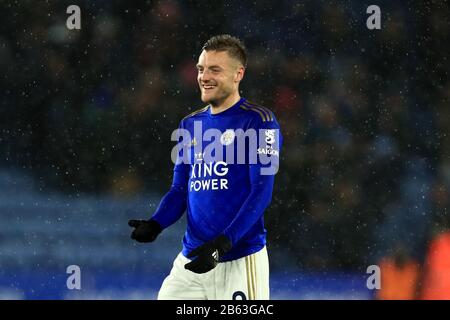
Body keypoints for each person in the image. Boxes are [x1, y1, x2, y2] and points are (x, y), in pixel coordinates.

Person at [128, 34, 282, 300]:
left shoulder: (260, 122)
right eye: (201, 69)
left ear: (238, 74)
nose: (204, 76)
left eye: (214, 69)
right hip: (193, 260)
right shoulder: (189, 125)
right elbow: (179, 190)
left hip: (239, 260)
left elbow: (261, 192)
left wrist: (224, 243)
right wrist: (156, 223)